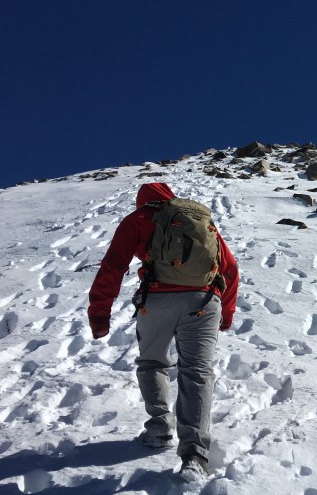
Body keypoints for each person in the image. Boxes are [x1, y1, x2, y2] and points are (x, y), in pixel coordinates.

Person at [88, 182, 239, 479]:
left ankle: (159, 429)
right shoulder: (198, 220)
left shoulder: (138, 220)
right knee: (197, 371)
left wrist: (99, 313)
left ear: (141, 202)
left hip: (157, 301)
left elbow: (114, 265)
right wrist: (227, 314)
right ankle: (195, 455)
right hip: (205, 301)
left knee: (152, 361)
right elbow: (229, 267)